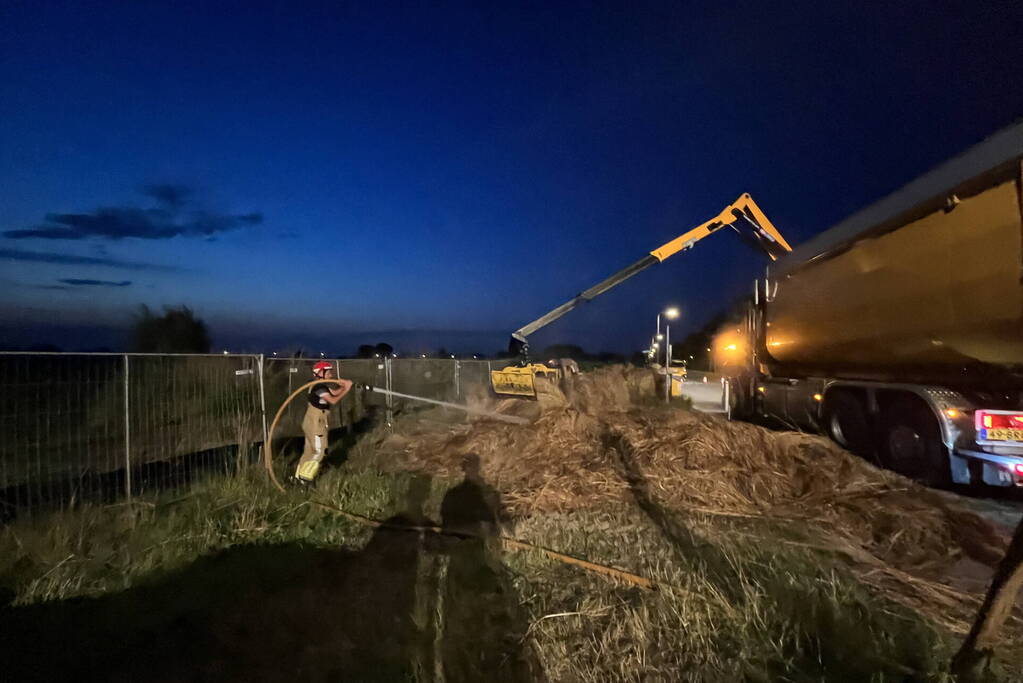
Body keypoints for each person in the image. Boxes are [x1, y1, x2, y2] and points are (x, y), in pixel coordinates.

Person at [294, 361, 352, 484]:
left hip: (311, 422)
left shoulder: (318, 386)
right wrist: (346, 389)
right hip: (316, 424)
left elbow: (334, 393)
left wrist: (343, 386)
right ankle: (305, 477)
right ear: (320, 373)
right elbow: (333, 400)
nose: (331, 375)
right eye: (329, 372)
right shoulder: (319, 388)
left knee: (309, 451)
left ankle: (298, 477)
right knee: (320, 451)